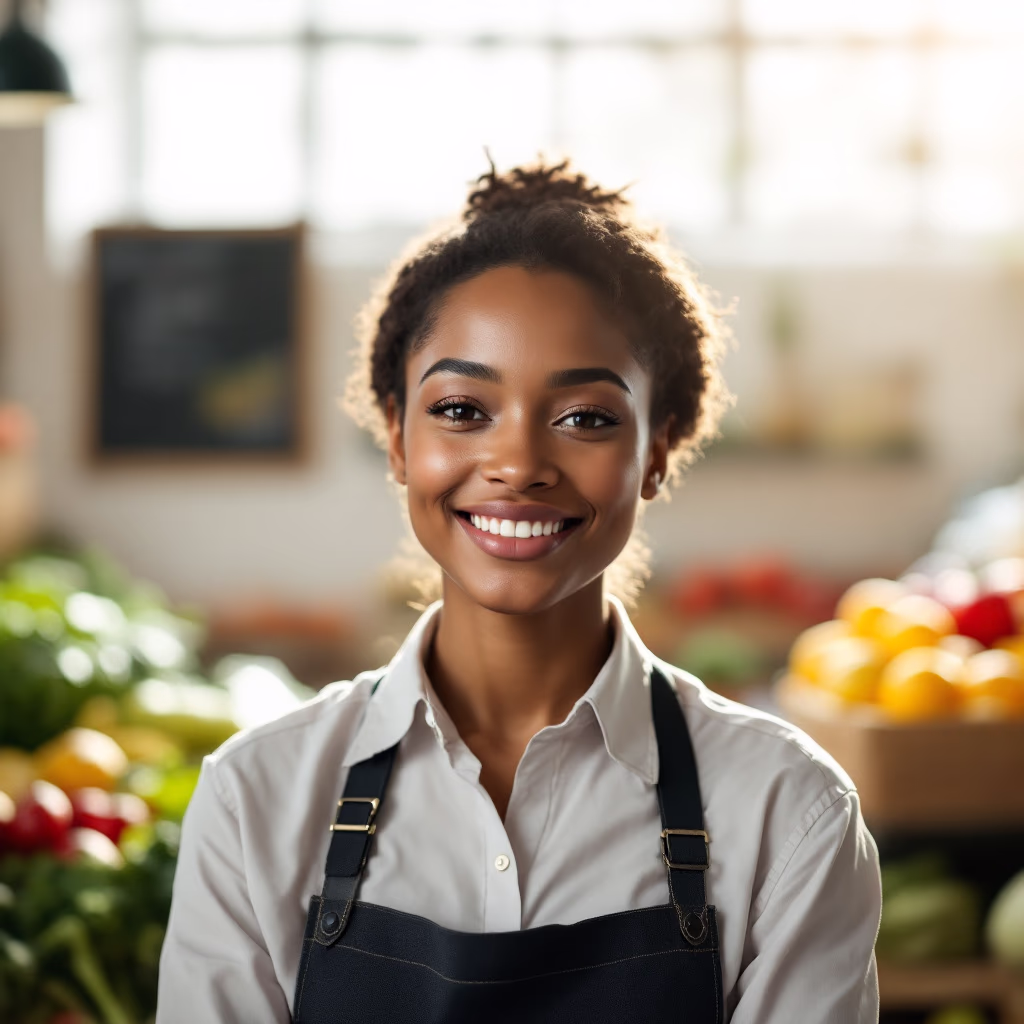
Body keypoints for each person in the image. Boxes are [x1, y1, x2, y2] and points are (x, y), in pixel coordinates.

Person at [156, 161, 881, 1023]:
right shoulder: (258, 799)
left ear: (657, 451)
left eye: (585, 417)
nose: (519, 465)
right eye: (463, 409)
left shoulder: (787, 811)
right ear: (396, 436)